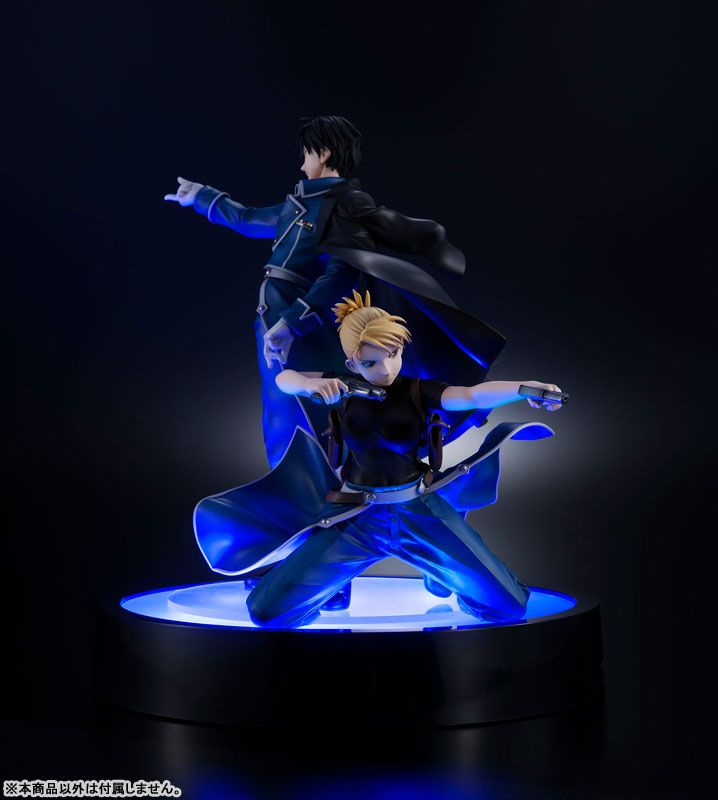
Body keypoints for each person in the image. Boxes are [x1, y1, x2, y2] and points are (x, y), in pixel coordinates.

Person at [194, 290, 563, 630]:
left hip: (418, 510)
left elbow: (471, 395)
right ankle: (331, 593)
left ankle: (442, 576)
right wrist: (310, 385)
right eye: (371, 362)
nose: (386, 369)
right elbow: (284, 379)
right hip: (358, 518)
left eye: (394, 354)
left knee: (509, 605)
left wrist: (524, 389)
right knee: (267, 611)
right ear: (352, 363)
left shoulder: (418, 390)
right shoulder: (345, 386)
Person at [165, 115, 506, 469]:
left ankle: (347, 473)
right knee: (281, 402)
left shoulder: (345, 204)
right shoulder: (299, 203)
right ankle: (294, 482)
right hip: (275, 313)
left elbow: (342, 271)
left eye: (306, 154)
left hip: (307, 320)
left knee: (315, 405)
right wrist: (203, 197)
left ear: (324, 153)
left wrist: (293, 322)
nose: (302, 164)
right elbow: (250, 219)